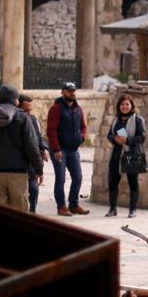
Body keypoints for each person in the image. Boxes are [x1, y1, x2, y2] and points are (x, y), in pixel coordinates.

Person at [47, 81, 89, 216]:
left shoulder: (78, 109)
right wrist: (56, 149)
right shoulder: (56, 108)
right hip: (59, 150)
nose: (72, 93)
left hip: (73, 150)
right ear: (63, 92)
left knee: (77, 177)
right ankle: (61, 207)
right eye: (69, 90)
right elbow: (51, 131)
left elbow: (83, 126)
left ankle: (74, 204)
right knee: (61, 178)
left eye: (73, 90)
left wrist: (82, 137)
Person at [105, 94, 146, 218]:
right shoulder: (116, 119)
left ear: (131, 106)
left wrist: (127, 140)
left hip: (131, 154)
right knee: (113, 182)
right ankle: (112, 209)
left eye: (127, 104)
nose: (125, 106)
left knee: (132, 182)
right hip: (116, 154)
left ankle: (132, 210)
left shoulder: (138, 120)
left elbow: (142, 137)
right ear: (119, 106)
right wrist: (115, 139)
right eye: (122, 104)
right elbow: (109, 135)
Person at [18, 94, 50, 212]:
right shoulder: (13, 121)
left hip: (32, 161)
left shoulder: (33, 120)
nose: (28, 113)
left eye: (29, 110)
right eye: (25, 110)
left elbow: (39, 139)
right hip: (18, 162)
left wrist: (45, 149)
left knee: (33, 188)